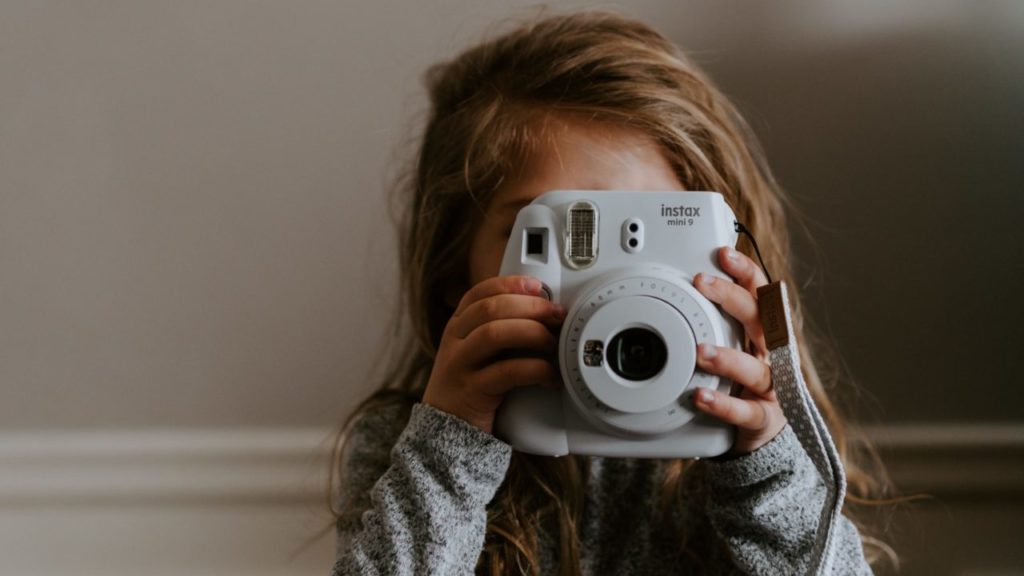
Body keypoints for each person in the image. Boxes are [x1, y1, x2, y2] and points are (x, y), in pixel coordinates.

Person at [327, 10, 894, 575]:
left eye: (640, 233)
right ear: (454, 273)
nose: (614, 288)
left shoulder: (755, 437)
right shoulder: (409, 440)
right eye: (554, 235)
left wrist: (768, 467)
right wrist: (448, 452)